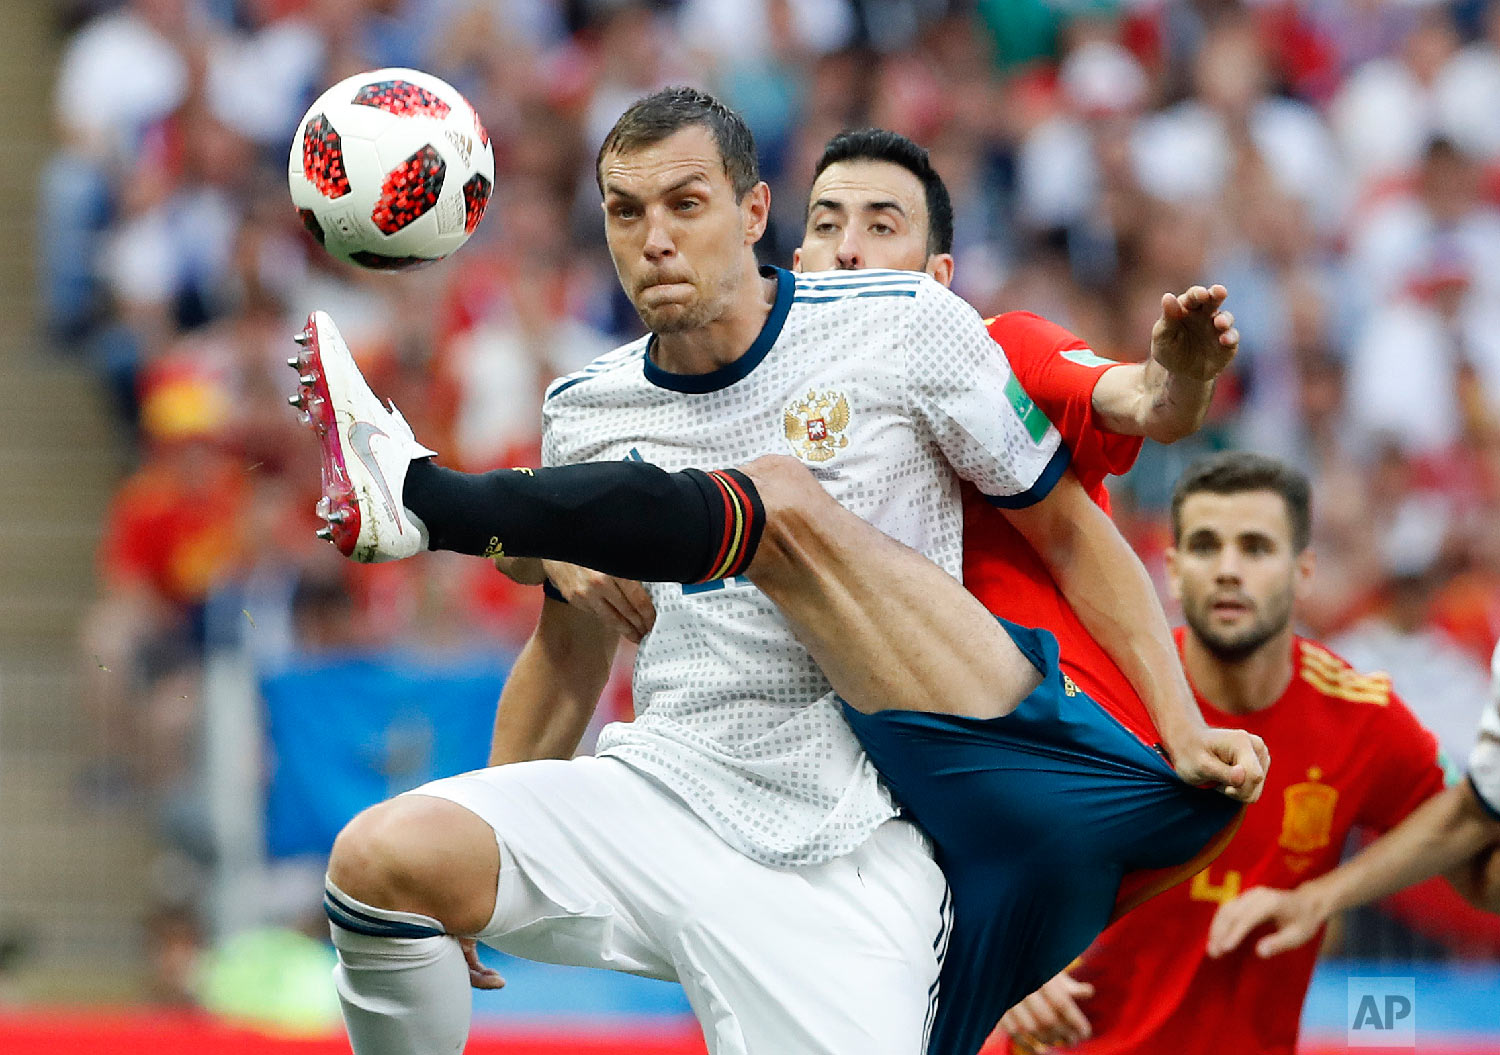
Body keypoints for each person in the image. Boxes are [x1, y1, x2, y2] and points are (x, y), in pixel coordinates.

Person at [297, 89, 1263, 1055]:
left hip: (849, 838)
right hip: (663, 789)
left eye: (686, 204)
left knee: (780, 500)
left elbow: (1075, 529)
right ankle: (424, 497)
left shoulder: (908, 321)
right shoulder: (588, 408)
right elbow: (568, 652)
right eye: (626, 213)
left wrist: (1178, 721)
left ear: (755, 214)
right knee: (382, 860)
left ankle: (428, 498)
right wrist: (488, 852)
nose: (655, 240)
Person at [998, 451, 1456, 1055]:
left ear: (1304, 571)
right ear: (1173, 569)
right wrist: (1005, 965)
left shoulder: (1361, 719)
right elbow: (973, 830)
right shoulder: (1100, 695)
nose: (1228, 570)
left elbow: (1460, 841)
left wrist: (1324, 897)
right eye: (1206, 546)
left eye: (1257, 548)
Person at [1205, 646, 1500, 958]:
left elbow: (1472, 838)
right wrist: (1314, 900)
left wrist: (1316, 899)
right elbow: (1471, 822)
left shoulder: (1365, 711)